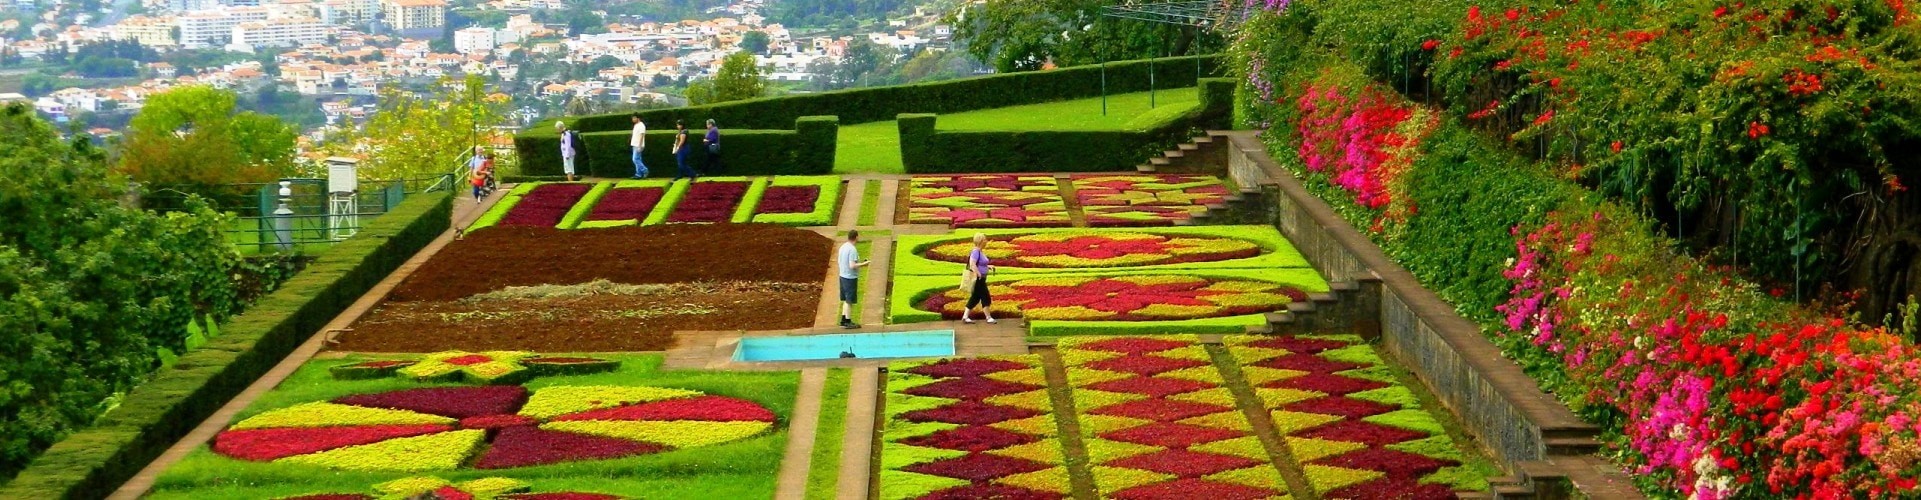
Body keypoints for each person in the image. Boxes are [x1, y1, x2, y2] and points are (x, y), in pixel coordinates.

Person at [838, 230, 871, 329]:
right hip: (850, 278)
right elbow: (852, 265)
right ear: (856, 237)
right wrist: (864, 264)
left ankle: (843, 319)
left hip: (842, 275)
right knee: (849, 300)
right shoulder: (852, 249)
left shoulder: (843, 247)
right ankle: (848, 321)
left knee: (845, 299)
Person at [960, 232, 996, 323]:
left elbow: (980, 264)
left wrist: (988, 267)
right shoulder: (976, 252)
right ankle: (988, 317)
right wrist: (978, 273)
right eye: (985, 240)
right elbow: (972, 264)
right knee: (985, 296)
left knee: (975, 297)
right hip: (978, 279)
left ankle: (965, 316)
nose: (986, 241)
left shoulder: (980, 251)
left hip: (981, 278)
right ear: (980, 241)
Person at [629, 113, 649, 179]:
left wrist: (639, 146)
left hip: (638, 145)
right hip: (635, 145)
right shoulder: (636, 125)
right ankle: (638, 174)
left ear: (638, 118)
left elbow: (641, 136)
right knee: (638, 159)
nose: (633, 119)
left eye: (634, 118)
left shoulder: (641, 125)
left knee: (635, 159)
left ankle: (645, 170)